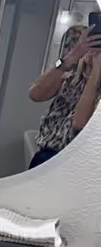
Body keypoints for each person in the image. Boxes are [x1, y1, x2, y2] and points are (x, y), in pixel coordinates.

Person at [27, 25, 101, 168]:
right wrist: (71, 56)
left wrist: (95, 74)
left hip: (80, 165)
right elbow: (35, 94)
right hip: (46, 157)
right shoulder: (69, 74)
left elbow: (79, 125)